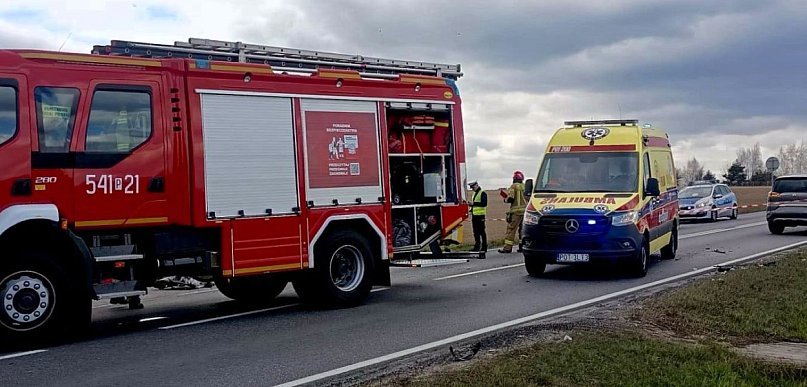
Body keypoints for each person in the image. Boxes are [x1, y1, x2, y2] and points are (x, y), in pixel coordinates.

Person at [499, 171, 527, 253]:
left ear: (514, 179)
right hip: (525, 211)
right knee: (522, 230)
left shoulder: (513, 186)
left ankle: (507, 248)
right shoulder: (524, 186)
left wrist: (505, 199)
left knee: (511, 229)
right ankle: (522, 246)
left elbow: (511, 198)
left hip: (516, 212)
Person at [468, 181, 487, 252]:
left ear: (477, 185)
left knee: (482, 232)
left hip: (480, 216)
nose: (472, 189)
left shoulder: (483, 193)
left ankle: (484, 247)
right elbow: (475, 205)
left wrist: (473, 203)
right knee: (475, 232)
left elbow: (484, 203)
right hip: (475, 216)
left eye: (473, 187)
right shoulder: (474, 194)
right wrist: (471, 209)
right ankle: (477, 246)